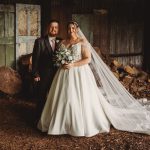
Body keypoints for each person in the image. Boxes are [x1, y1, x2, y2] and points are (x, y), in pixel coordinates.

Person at [37, 21, 150, 137]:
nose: (71, 30)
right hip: (64, 73)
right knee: (63, 97)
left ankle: (79, 124)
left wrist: (73, 65)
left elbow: (87, 59)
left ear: (77, 29)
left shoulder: (82, 42)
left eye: (73, 28)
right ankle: (61, 122)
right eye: (69, 28)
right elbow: (58, 58)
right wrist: (62, 63)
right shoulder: (62, 42)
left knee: (79, 97)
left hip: (79, 73)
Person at [32, 20, 62, 122]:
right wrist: (35, 73)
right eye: (51, 27)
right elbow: (35, 59)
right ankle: (38, 119)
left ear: (58, 29)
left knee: (56, 96)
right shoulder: (39, 41)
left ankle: (53, 119)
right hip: (44, 74)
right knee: (41, 96)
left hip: (58, 74)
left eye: (56, 27)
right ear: (47, 28)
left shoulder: (61, 41)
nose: (54, 29)